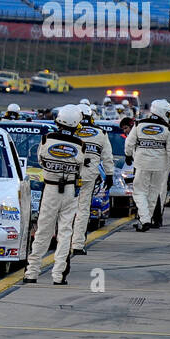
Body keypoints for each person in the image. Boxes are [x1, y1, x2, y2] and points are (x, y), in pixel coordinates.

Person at [24, 104, 87, 285]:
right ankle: (59, 275)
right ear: (76, 124)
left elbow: (40, 161)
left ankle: (32, 273)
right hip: (69, 190)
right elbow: (81, 167)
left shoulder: (46, 139)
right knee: (65, 231)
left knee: (43, 230)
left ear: (58, 121)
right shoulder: (80, 145)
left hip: (50, 188)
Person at [125, 99, 170, 232]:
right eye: (168, 113)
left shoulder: (139, 124)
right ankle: (146, 219)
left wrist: (128, 155)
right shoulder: (168, 128)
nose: (169, 115)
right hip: (160, 165)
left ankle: (145, 220)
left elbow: (129, 142)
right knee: (154, 193)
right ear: (161, 111)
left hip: (142, 163)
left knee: (139, 192)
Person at [69, 103, 113, 256]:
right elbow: (107, 156)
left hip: (69, 175)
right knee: (83, 210)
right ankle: (78, 244)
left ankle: (65, 241)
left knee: (66, 210)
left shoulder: (70, 130)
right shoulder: (101, 132)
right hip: (89, 176)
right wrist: (109, 175)